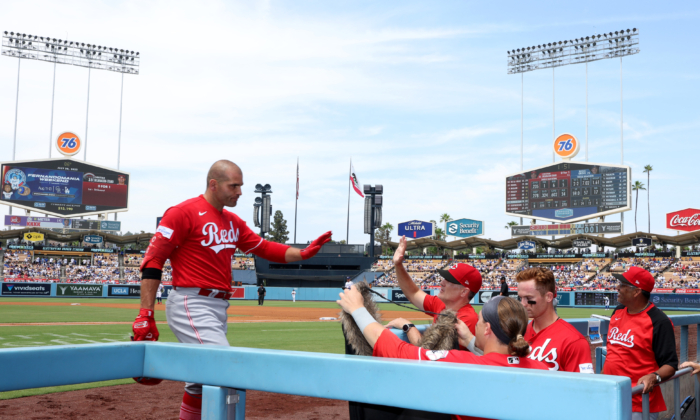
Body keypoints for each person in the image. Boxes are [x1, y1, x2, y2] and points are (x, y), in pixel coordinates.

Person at [131, 160, 332, 420]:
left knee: (201, 380)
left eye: (241, 186)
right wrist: (145, 312)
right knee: (226, 368)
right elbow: (153, 261)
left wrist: (302, 253)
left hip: (218, 306)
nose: (239, 192)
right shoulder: (182, 212)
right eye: (233, 185)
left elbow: (264, 248)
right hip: (191, 302)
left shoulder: (232, 221)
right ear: (213, 184)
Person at [337, 288, 548, 420]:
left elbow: (396, 350)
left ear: (487, 330)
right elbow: (503, 360)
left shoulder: (463, 364)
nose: (475, 325)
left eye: (480, 320)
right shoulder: (542, 368)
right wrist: (471, 342)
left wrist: (357, 309)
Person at [603, 266, 678, 420]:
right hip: (610, 395)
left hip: (639, 402)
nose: (618, 288)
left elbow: (670, 365)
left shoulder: (659, 321)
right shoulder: (618, 311)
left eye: (623, 285)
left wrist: (654, 376)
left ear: (636, 291)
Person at [392, 236, 481, 346]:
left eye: (449, 280)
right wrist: (398, 264)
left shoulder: (467, 320)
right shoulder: (442, 305)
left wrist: (408, 326)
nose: (442, 282)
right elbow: (413, 293)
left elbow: (431, 354)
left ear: (464, 292)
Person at [514, 267, 593, 373]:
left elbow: (583, 387)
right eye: (520, 298)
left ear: (548, 297)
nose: (523, 304)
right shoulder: (520, 333)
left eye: (529, 299)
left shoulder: (574, 341)